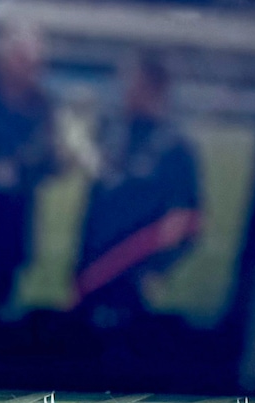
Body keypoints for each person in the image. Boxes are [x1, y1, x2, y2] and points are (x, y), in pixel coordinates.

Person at [74, 53, 201, 325]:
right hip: (91, 270)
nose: (124, 90)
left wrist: (157, 270)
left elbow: (187, 221)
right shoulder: (110, 130)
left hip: (133, 276)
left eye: (132, 83)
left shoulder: (177, 147)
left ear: (155, 88)